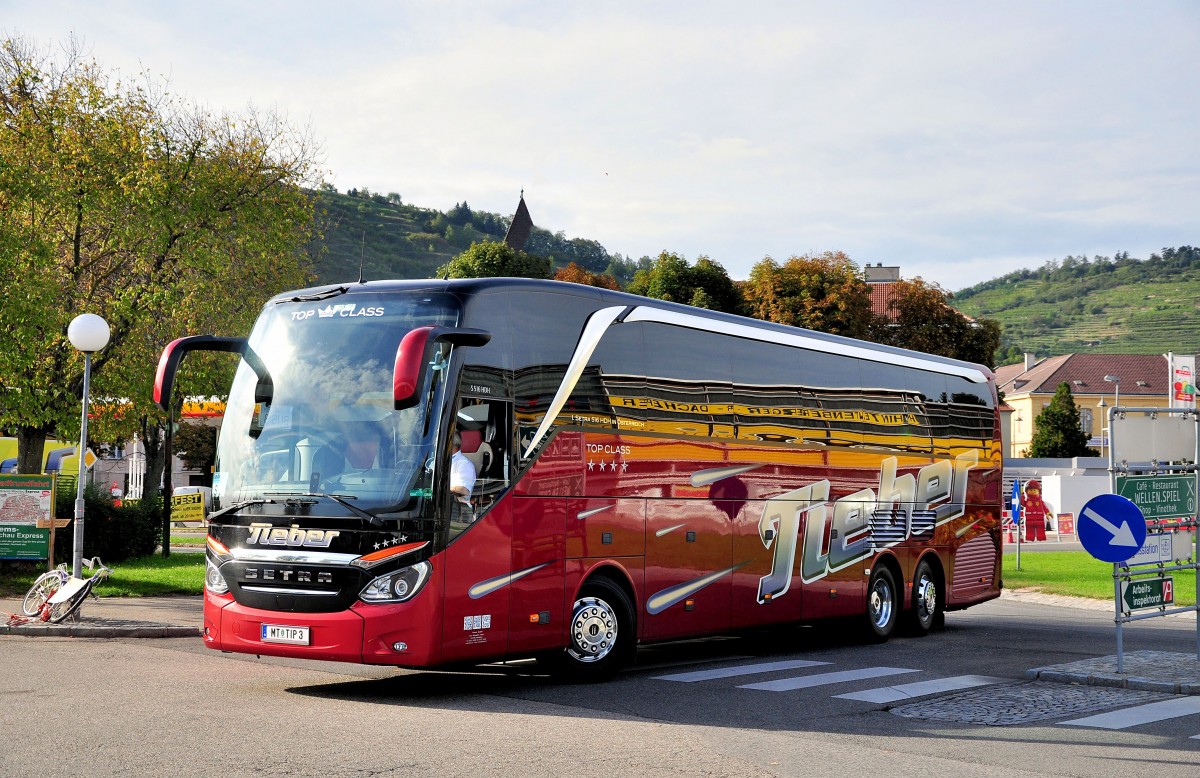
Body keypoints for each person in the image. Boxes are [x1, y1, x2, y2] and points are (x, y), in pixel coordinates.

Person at [450, 431, 477, 523]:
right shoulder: (440, 461)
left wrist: (441, 488)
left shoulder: (464, 464)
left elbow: (464, 490)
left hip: (459, 511)